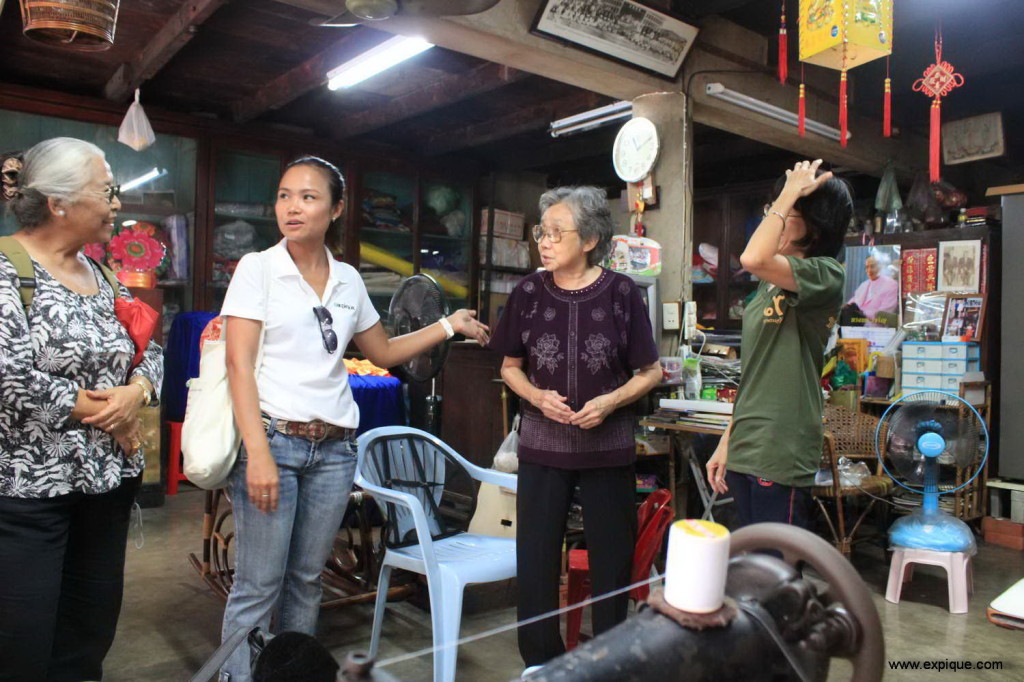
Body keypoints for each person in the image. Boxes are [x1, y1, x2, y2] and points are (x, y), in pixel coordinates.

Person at [217, 156, 490, 682]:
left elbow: (383, 352)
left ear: (336, 208)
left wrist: (447, 325)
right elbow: (238, 364)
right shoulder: (258, 268)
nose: (292, 207)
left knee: (306, 581)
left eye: (308, 196)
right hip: (275, 439)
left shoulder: (347, 280)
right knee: (257, 586)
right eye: (284, 195)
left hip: (336, 450)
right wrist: (257, 454)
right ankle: (233, 677)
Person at [0, 138, 163, 680]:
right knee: (22, 643)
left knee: (88, 638)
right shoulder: (7, 271)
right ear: (59, 203)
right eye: (107, 190)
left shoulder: (105, 275)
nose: (116, 202)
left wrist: (134, 394)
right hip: (28, 499)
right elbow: (8, 375)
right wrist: (101, 407)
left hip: (107, 490)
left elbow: (150, 353)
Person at [488, 186, 661, 669]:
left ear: (589, 239)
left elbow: (649, 372)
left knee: (612, 562)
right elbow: (509, 366)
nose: (543, 242)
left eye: (556, 233)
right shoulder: (527, 292)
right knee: (537, 560)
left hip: (608, 446)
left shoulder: (623, 293)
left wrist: (610, 401)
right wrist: (537, 396)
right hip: (543, 443)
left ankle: (611, 662)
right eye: (541, 232)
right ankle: (542, 664)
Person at [706, 159, 850, 529]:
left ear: (815, 226)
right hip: (748, 440)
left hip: (781, 443)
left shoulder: (825, 274)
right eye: (772, 208)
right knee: (754, 566)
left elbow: (752, 257)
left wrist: (789, 192)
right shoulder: (768, 283)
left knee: (778, 571)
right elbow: (757, 372)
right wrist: (728, 440)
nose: (774, 215)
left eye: (787, 210)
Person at [846, 252, 899, 325]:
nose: (869, 270)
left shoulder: (891, 285)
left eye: (872, 266)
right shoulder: (863, 285)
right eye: (867, 267)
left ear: (881, 266)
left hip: (876, 327)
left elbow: (885, 314)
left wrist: (861, 315)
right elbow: (851, 304)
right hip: (855, 323)